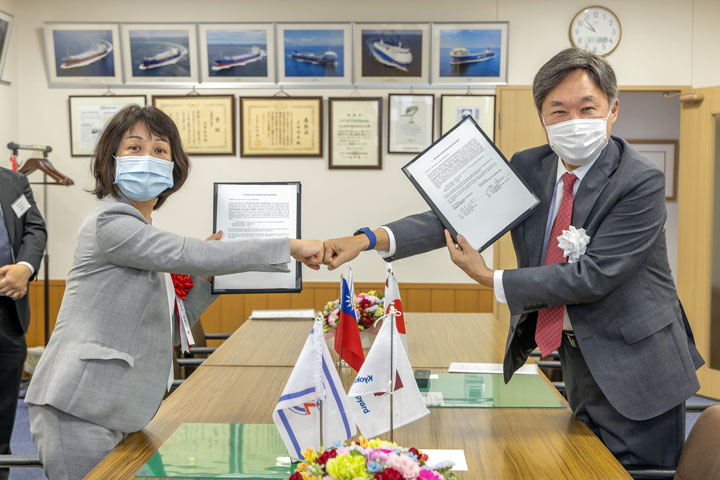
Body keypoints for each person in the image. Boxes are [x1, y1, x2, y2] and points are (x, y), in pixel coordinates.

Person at [323, 48, 704, 469]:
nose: (573, 121)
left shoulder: (639, 181)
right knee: (585, 466)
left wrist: (490, 278)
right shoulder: (531, 166)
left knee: (635, 472)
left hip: (641, 366)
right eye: (558, 110)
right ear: (541, 117)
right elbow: (455, 217)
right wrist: (366, 239)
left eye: (587, 107)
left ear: (613, 110)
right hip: (579, 356)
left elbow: (591, 278)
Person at [25, 105, 324, 480]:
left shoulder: (143, 232)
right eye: (134, 148)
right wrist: (290, 246)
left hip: (121, 405)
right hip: (78, 406)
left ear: (174, 168)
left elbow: (172, 323)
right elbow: (188, 253)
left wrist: (218, 275)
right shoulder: (110, 221)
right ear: (111, 161)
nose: (148, 157)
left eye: (160, 150)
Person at [0, 166, 46, 480]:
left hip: (8, 307)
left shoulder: (14, 181)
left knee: (4, 407)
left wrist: (25, 267)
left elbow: (35, 228)